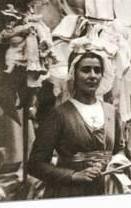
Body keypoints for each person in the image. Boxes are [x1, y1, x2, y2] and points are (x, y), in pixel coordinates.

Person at [27, 40, 124, 198]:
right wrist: (73, 175)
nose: (93, 75)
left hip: (106, 190)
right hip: (71, 192)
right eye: (86, 70)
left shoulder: (111, 111)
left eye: (97, 70)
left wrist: (117, 163)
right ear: (73, 74)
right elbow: (35, 164)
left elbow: (119, 149)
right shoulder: (59, 114)